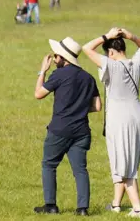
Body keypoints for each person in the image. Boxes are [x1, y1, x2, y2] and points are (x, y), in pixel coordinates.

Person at [82, 28, 140, 219]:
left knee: (125, 165)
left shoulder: (111, 65)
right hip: (138, 115)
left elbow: (86, 48)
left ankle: (137, 209)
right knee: (126, 162)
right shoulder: (135, 62)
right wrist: (130, 36)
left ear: (110, 52)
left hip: (120, 119)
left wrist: (106, 36)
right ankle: (116, 205)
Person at [33, 37, 101, 216]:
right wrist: (78, 108)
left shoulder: (58, 75)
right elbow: (97, 106)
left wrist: (42, 71)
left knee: (49, 164)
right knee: (80, 169)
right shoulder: (88, 77)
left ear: (63, 58)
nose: (54, 59)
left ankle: (50, 206)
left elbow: (38, 94)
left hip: (60, 129)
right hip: (82, 131)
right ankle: (83, 209)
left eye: (56, 56)